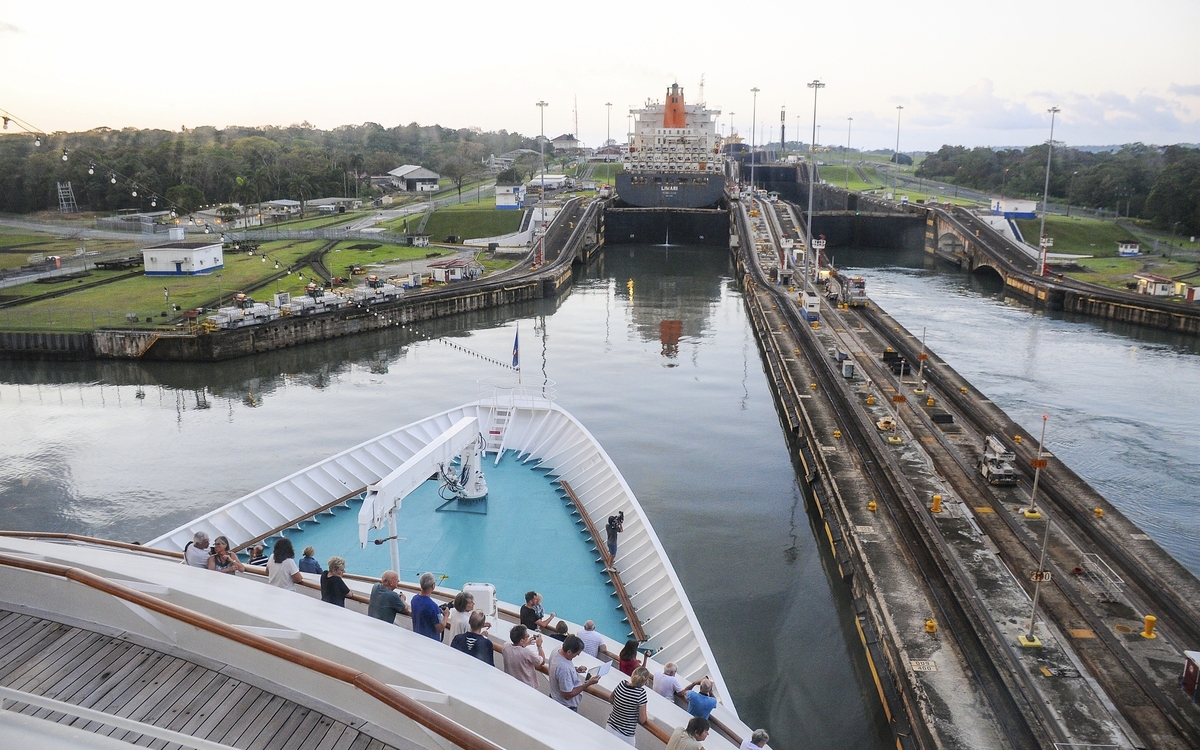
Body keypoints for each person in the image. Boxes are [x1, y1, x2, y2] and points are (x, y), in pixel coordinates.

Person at [548, 634, 600, 711]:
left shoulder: (557, 651)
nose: (578, 655)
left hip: (555, 698)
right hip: (565, 707)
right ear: (569, 652)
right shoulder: (564, 669)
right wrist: (588, 683)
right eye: (577, 653)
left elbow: (558, 671)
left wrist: (575, 669)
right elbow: (568, 695)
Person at [606, 666, 650, 745]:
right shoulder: (641, 693)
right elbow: (642, 719)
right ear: (645, 681)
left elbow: (611, 698)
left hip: (610, 727)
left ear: (633, 674)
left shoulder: (622, 684)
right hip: (625, 735)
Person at [502, 625, 546, 689]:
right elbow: (542, 661)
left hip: (511, 682)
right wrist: (539, 646)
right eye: (526, 636)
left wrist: (524, 644)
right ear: (521, 640)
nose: (528, 636)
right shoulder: (526, 652)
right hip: (526, 685)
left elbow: (516, 650)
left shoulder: (505, 646)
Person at [410, 572, 448, 640]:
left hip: (418, 638)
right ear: (433, 586)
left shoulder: (414, 599)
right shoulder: (433, 606)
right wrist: (446, 616)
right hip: (430, 642)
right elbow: (440, 629)